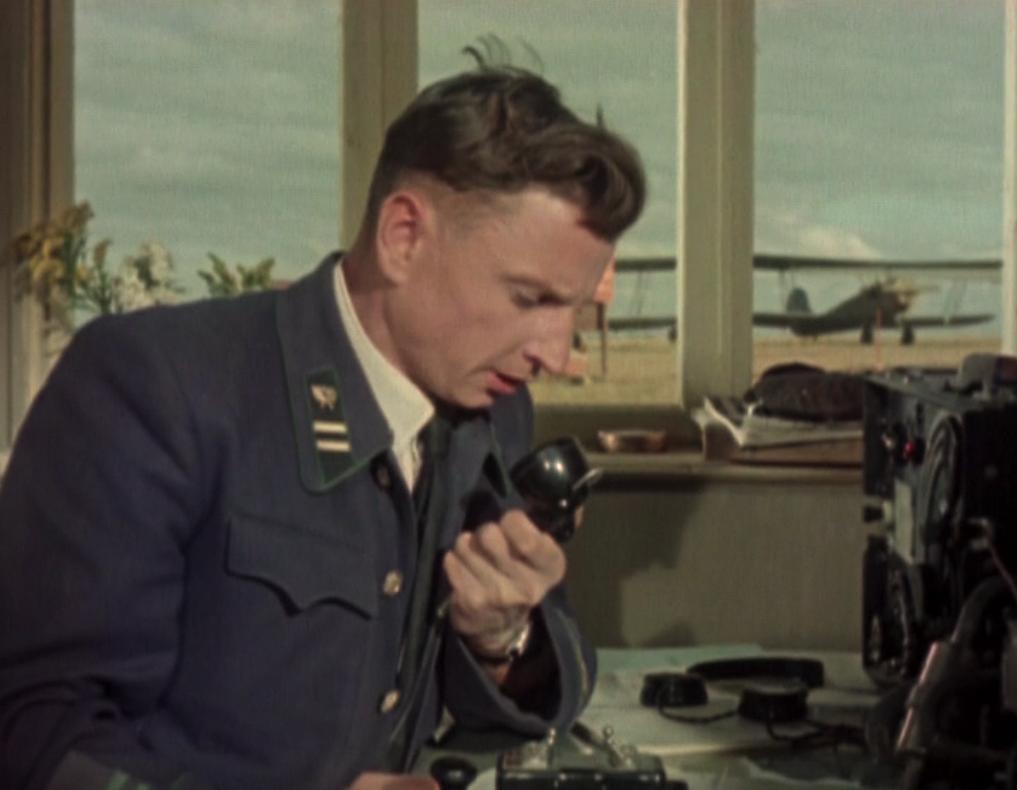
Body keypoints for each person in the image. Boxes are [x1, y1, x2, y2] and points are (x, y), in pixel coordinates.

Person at [0, 65, 645, 789]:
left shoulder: (494, 406)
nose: (555, 354)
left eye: (575, 311)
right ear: (403, 236)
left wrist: (502, 639)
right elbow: (35, 737)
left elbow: (534, 681)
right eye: (529, 298)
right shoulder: (155, 385)